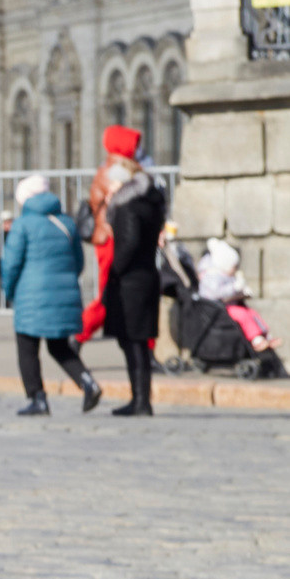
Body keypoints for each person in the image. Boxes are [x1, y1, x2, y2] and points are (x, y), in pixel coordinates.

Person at [0, 174, 102, 418]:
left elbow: (10, 264)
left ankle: (38, 398)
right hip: (63, 293)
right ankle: (88, 382)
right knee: (59, 347)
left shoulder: (23, 225)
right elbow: (78, 262)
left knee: (27, 349)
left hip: (30, 295)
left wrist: (9, 290)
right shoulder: (66, 223)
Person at [94, 125, 167, 416]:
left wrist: (117, 267)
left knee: (132, 342)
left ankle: (140, 400)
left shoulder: (129, 205)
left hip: (131, 281)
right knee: (138, 341)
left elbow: (130, 240)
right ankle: (140, 399)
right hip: (147, 273)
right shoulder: (152, 200)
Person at [199, 236, 280, 351]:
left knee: (251, 312)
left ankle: (265, 335)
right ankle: (256, 340)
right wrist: (234, 287)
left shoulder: (226, 275)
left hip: (229, 305)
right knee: (243, 315)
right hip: (218, 308)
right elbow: (217, 293)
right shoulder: (211, 276)